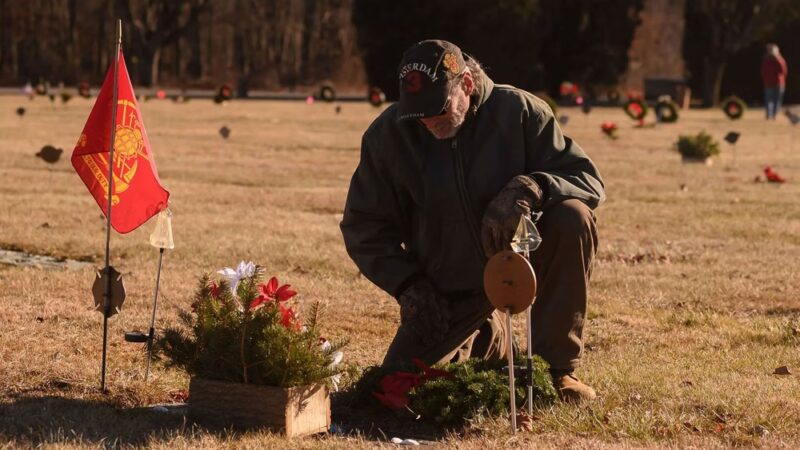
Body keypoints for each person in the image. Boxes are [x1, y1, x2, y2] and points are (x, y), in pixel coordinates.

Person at [340, 40, 605, 402]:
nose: (429, 122)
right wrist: (408, 284)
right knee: (400, 390)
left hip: (521, 261)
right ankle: (489, 340)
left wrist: (534, 185)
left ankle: (557, 370)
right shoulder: (389, 135)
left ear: (465, 85)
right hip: (444, 286)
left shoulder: (521, 112)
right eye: (417, 113)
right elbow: (364, 226)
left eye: (439, 108)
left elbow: (586, 179)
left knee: (573, 216)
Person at [761, 43, 788, 120]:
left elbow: (783, 71)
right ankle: (769, 115)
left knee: (776, 100)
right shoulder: (766, 60)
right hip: (769, 83)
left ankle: (774, 115)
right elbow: (763, 71)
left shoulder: (779, 60)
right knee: (769, 100)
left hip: (778, 83)